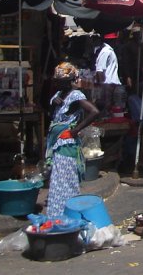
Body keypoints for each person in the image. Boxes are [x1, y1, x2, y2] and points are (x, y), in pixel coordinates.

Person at [45, 63, 99, 218]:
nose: (57, 83)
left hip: (66, 143)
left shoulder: (76, 95)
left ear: (69, 80)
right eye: (56, 80)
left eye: (60, 80)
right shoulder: (58, 94)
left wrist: (75, 130)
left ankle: (68, 216)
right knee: (57, 181)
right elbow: (52, 114)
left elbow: (94, 112)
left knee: (66, 181)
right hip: (56, 142)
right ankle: (56, 216)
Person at [92, 34, 121, 110]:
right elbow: (99, 70)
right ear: (111, 40)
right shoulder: (106, 51)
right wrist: (102, 86)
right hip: (107, 84)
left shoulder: (109, 50)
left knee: (109, 105)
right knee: (106, 104)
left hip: (109, 84)